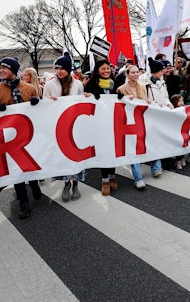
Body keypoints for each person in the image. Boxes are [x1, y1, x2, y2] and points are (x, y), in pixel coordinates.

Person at [0, 57, 42, 218]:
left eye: (5, 68)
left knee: (30, 165)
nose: (1, 71)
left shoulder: (29, 88)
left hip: (29, 135)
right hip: (9, 137)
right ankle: (23, 203)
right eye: (0, 68)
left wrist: (36, 103)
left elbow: (41, 112)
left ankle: (34, 184)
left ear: (13, 70)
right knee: (16, 170)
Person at [43, 54, 87, 201]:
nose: (59, 70)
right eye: (56, 68)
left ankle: (76, 184)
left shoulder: (78, 84)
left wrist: (87, 98)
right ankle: (66, 183)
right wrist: (50, 102)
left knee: (77, 155)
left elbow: (81, 103)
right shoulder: (49, 85)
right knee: (64, 156)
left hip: (76, 125)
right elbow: (44, 106)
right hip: (59, 126)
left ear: (68, 69)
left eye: (62, 68)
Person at [116, 64, 156, 189]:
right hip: (129, 123)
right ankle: (138, 178)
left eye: (137, 72)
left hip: (142, 120)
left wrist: (148, 102)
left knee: (150, 143)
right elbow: (117, 105)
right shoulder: (121, 89)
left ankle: (156, 167)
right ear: (127, 75)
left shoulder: (142, 87)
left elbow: (145, 102)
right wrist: (125, 99)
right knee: (134, 149)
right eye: (133, 72)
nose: (136, 74)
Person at [85, 59, 120, 196]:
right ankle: (105, 180)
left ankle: (112, 177)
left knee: (113, 151)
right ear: (97, 71)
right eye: (103, 69)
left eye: (108, 69)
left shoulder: (114, 83)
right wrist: (89, 97)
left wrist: (121, 96)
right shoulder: (90, 85)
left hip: (113, 123)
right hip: (99, 125)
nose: (106, 71)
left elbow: (119, 99)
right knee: (103, 152)